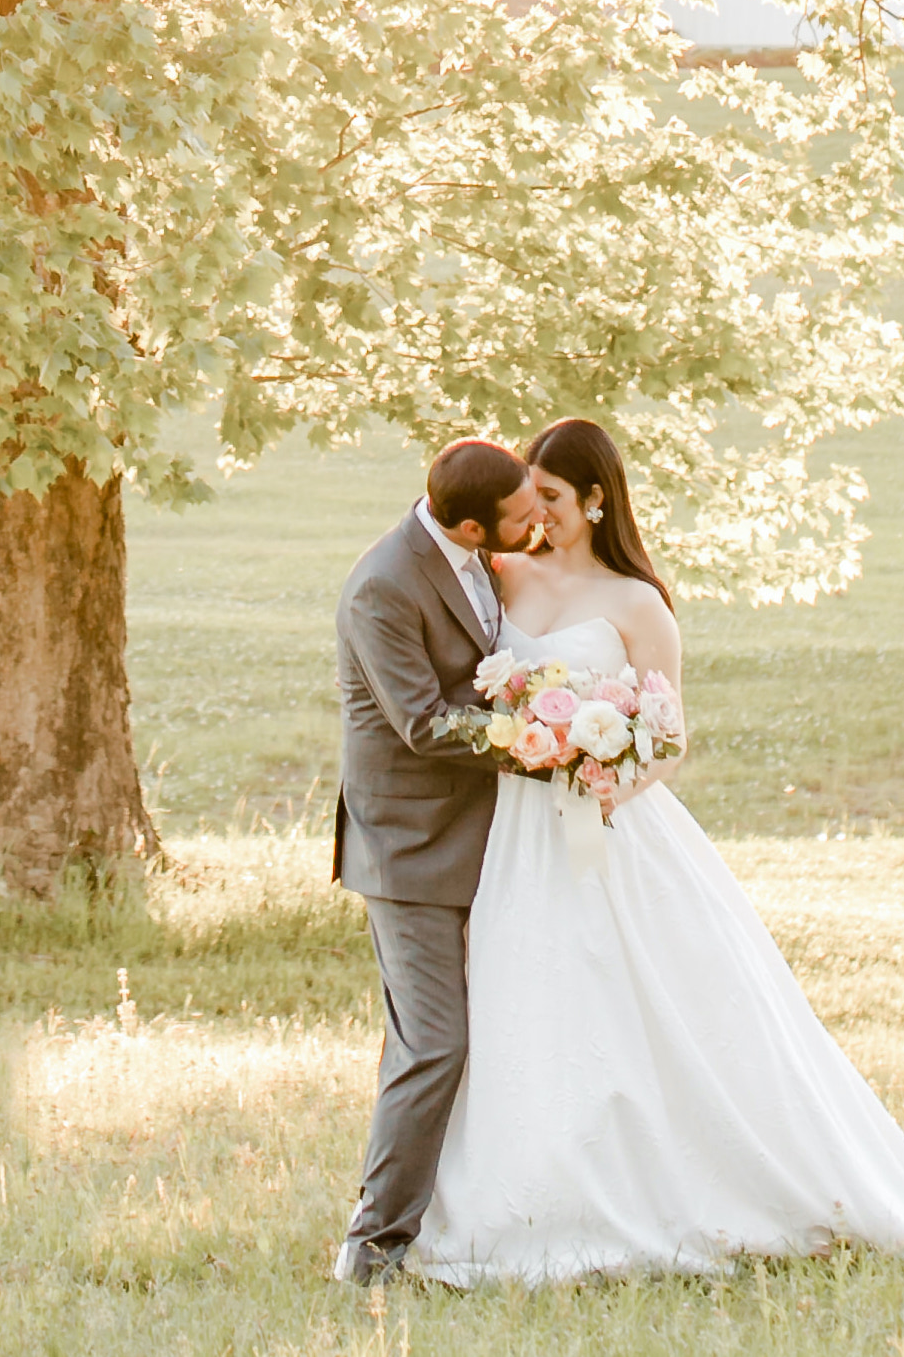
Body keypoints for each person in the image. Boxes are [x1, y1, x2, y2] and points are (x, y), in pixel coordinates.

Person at [403, 416, 904, 1288]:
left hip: (610, 831)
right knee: (529, 1000)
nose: (535, 515)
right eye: (526, 498)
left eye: (551, 497)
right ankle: (528, 1197)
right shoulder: (503, 580)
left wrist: (607, 776)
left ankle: (678, 1187)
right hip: (520, 834)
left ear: (595, 499)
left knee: (648, 1006)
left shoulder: (635, 603)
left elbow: (667, 738)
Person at [329, 436, 550, 1286]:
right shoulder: (383, 587)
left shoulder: (481, 562)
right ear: (469, 523)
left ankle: (471, 1212)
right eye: (522, 517)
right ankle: (373, 1243)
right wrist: (546, 737)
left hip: (491, 839)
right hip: (410, 848)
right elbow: (422, 722)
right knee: (433, 1046)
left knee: (488, 1037)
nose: (536, 525)